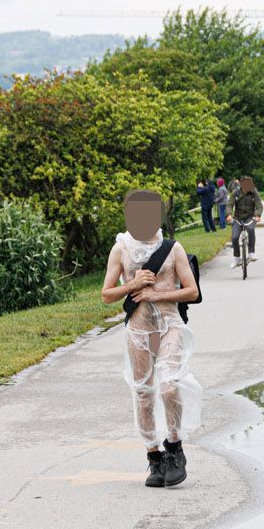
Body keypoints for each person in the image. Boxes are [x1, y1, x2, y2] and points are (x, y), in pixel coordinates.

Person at [101, 190, 202, 488]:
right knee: (143, 395)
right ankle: (154, 457)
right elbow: (107, 294)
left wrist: (157, 294)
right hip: (138, 330)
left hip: (170, 325)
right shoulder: (121, 249)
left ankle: (174, 447)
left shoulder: (173, 249)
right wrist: (132, 284)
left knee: (170, 387)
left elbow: (192, 291)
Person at [228, 176, 262, 262]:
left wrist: (257, 215)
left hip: (250, 217)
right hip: (237, 218)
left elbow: (259, 205)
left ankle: (251, 253)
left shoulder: (254, 192)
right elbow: (229, 205)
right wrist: (228, 215)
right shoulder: (235, 193)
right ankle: (237, 257)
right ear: (241, 184)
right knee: (235, 237)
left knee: (250, 229)